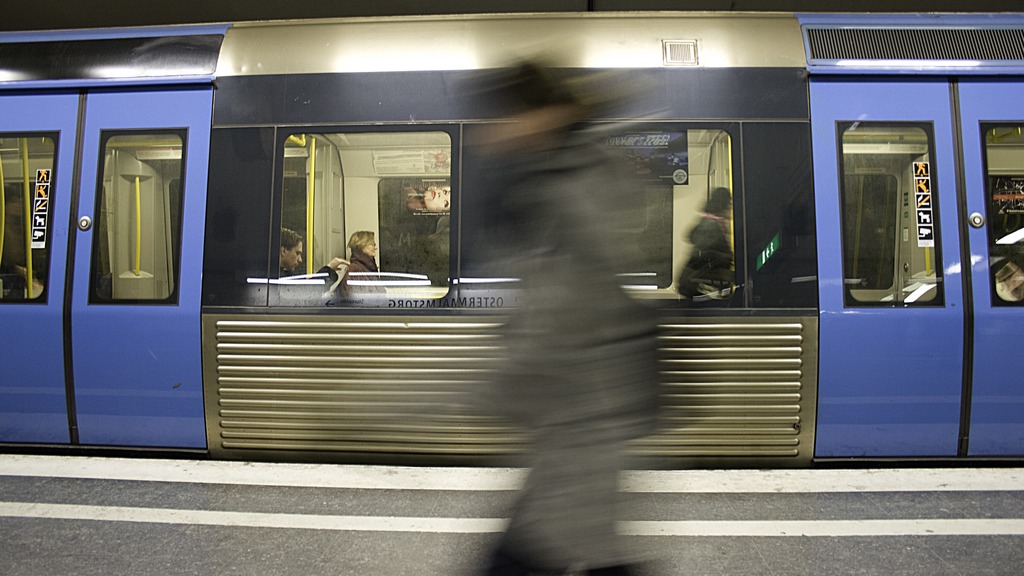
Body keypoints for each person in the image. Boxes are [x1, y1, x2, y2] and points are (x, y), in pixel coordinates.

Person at [472, 61, 660, 576]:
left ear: (541, 116)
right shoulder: (566, 182)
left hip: (581, 425)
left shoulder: (565, 195)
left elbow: (551, 331)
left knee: (548, 552)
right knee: (585, 551)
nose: (491, 133)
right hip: (579, 428)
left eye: (504, 117)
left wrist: (396, 398)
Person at [676, 187, 734, 299]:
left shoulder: (712, 222)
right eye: (729, 203)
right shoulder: (710, 225)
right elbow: (704, 256)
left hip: (693, 283)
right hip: (693, 283)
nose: (731, 207)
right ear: (724, 205)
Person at [278, 226, 347, 282]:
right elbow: (306, 291)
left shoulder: (284, 274)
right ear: (284, 251)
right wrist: (329, 269)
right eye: (297, 253)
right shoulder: (276, 277)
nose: (300, 260)